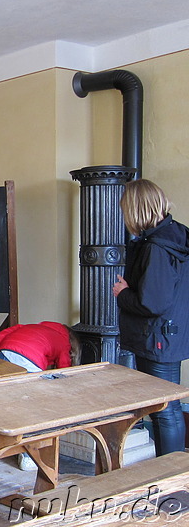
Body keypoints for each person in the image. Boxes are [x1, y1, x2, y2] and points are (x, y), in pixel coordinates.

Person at [113, 179, 189, 456]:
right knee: (167, 408)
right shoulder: (176, 235)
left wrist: (123, 293)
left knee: (164, 410)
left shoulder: (156, 247)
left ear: (134, 210)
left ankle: (170, 478)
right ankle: (170, 473)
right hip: (171, 334)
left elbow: (153, 303)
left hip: (158, 337)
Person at [0, 321, 81, 372]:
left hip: (5, 351)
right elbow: (63, 369)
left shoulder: (31, 326)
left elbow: (1, 335)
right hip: (30, 358)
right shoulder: (65, 342)